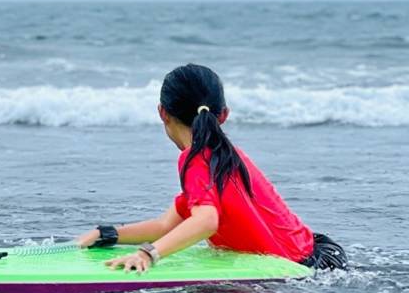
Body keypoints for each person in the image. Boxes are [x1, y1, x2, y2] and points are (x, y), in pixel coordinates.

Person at [75, 63, 348, 273]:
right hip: (323, 259)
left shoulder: (195, 158)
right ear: (224, 115)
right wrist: (107, 233)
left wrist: (147, 254)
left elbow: (206, 222)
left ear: (162, 113)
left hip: (297, 271)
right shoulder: (223, 155)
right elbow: (165, 226)